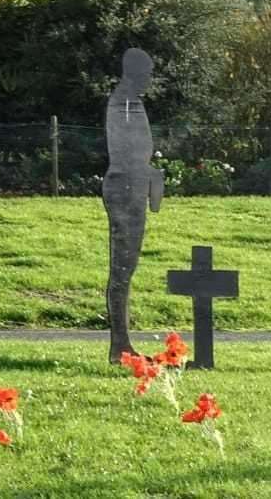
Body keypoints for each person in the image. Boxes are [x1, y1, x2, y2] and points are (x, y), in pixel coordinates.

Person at [103, 48, 164, 363]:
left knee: (127, 267)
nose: (150, 81)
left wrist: (152, 175)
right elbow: (126, 154)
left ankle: (122, 343)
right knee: (122, 269)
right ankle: (120, 345)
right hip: (125, 187)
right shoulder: (125, 104)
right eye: (148, 74)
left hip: (134, 185)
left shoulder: (130, 103)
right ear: (135, 74)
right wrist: (148, 174)